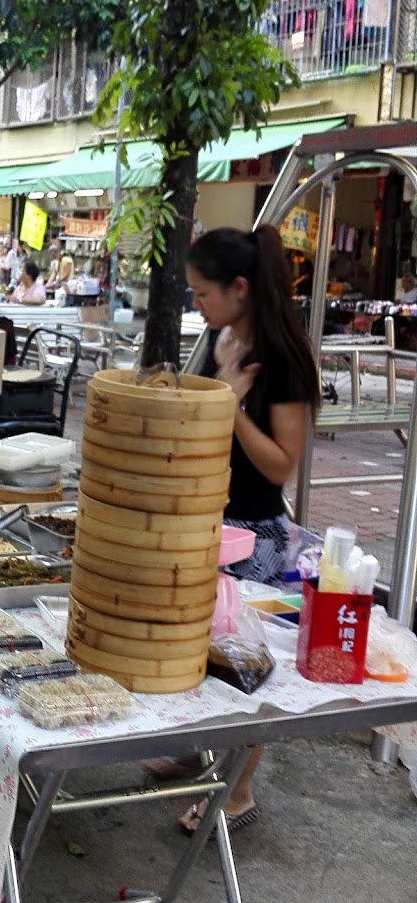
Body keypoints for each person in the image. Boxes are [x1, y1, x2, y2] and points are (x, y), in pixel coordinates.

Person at [173, 225, 320, 837]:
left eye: (203, 294)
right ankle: (198, 757)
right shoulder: (220, 335)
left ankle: (238, 790)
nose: (197, 306)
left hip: (254, 534)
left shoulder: (283, 360)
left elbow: (282, 464)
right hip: (207, 515)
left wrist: (230, 406)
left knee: (240, 663)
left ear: (239, 287)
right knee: (194, 650)